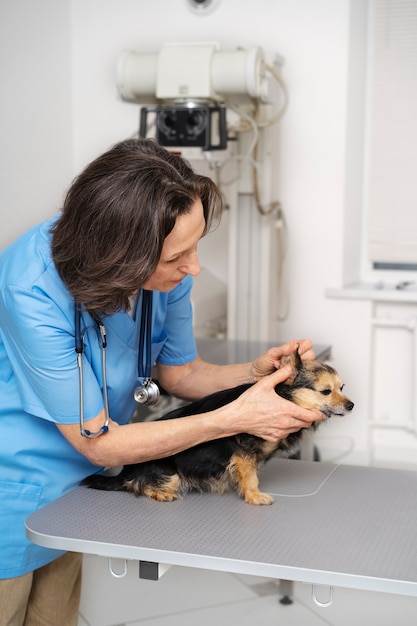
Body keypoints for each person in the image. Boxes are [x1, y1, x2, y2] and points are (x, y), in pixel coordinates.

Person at [0, 137, 323, 625]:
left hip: (78, 487)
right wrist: (234, 417)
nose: (193, 267)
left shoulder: (168, 274)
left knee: (53, 619)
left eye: (195, 248)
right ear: (119, 253)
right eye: (177, 257)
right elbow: (101, 443)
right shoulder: (31, 287)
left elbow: (182, 373)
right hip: (13, 486)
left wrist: (253, 376)